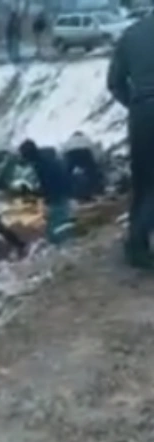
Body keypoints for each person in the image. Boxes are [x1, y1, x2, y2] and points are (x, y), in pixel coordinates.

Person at [107, 16, 154, 269]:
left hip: (140, 115)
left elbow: (114, 82)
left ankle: (137, 245)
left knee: (143, 181)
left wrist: (135, 105)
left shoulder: (131, 34)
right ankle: (137, 242)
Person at [18, 139, 74, 244]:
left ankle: (63, 245)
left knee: (58, 223)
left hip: (56, 193)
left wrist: (36, 194)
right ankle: (63, 242)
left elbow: (46, 183)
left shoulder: (41, 164)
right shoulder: (45, 157)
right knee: (60, 220)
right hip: (63, 189)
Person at [62, 131, 105, 201]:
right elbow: (93, 149)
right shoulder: (86, 138)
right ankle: (96, 189)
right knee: (92, 172)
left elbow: (63, 152)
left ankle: (67, 192)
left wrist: (66, 167)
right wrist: (95, 163)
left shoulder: (69, 140)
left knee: (67, 174)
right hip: (84, 152)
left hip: (70, 154)